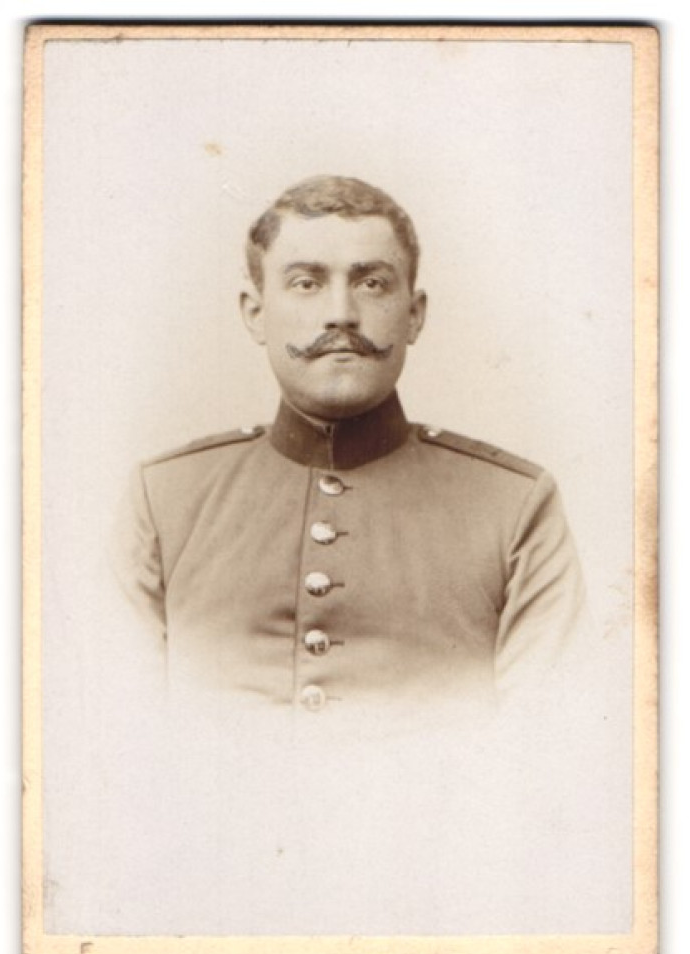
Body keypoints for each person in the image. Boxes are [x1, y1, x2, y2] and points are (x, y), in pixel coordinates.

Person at [115, 175, 584, 715]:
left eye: (372, 283)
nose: (341, 312)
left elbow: (550, 748)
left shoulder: (515, 507)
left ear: (414, 314)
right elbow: (121, 743)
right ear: (255, 313)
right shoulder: (163, 500)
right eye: (306, 283)